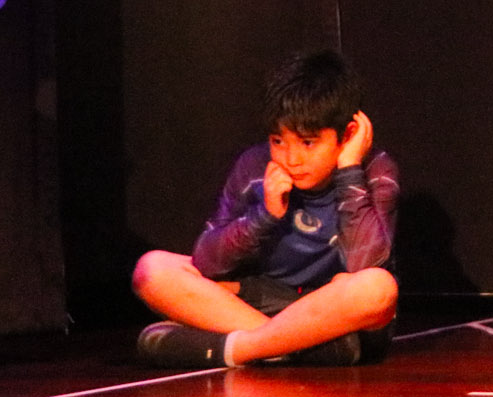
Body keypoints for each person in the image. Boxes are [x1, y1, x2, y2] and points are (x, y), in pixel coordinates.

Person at [129, 51, 398, 368]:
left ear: (348, 134)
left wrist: (349, 169)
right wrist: (264, 215)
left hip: (332, 309)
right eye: (278, 141)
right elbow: (207, 263)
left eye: (308, 143)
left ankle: (238, 348)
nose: (292, 159)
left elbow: (364, 265)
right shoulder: (254, 167)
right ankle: (299, 349)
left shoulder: (375, 171)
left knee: (377, 288)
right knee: (152, 269)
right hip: (264, 300)